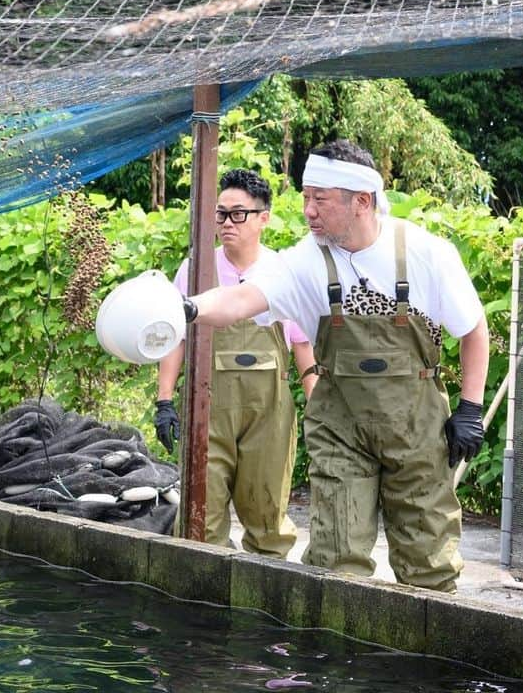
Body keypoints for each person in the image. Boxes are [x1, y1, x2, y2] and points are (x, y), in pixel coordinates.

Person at [181, 141, 489, 592]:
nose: (307, 211)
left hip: (417, 425)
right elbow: (239, 298)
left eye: (319, 199)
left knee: (429, 560)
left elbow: (473, 329)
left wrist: (471, 409)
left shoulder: (425, 251)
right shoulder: (305, 260)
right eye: (305, 197)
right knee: (335, 558)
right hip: (340, 423)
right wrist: (186, 309)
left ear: (361, 201)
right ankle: (336, 661)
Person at [154, 168, 317, 557]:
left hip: (269, 414)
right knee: (199, 519)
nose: (227, 223)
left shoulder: (282, 272)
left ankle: (263, 606)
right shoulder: (197, 269)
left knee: (268, 519)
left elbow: (303, 346)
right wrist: (164, 400)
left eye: (238, 214)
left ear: (264, 218)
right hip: (208, 409)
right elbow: (175, 337)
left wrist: (320, 409)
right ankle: (197, 610)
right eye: (221, 214)